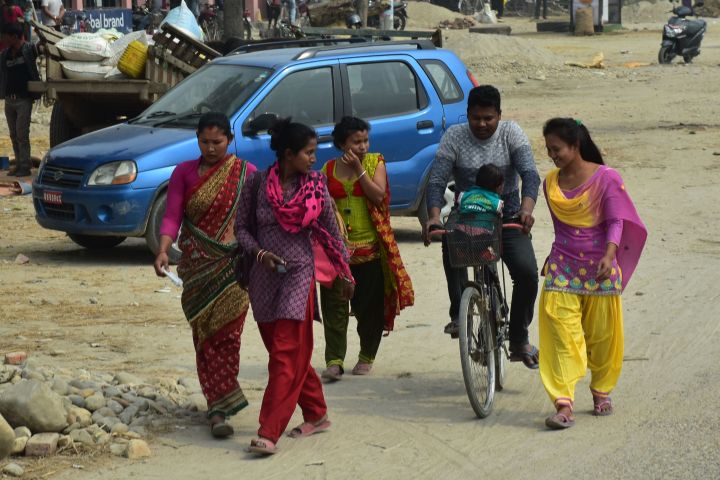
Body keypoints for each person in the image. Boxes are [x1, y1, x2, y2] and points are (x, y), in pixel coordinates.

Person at [234, 118, 354, 455]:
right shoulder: (257, 183)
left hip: (300, 274)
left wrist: (345, 273)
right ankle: (317, 413)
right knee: (285, 353)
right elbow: (241, 228)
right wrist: (260, 254)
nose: (314, 159)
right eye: (308, 153)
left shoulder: (316, 185)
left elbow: (331, 233)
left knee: (285, 354)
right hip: (263, 274)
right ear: (288, 154)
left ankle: (268, 432)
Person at [153, 112, 257, 439]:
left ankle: (220, 408)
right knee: (205, 337)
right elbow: (172, 217)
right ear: (197, 139)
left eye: (218, 142)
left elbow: (257, 221)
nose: (211, 148)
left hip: (234, 269)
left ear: (230, 140)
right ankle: (217, 403)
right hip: (197, 268)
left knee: (227, 336)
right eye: (205, 142)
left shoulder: (245, 174)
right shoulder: (183, 173)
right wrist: (163, 250)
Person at [539, 118, 646, 429]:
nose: (552, 155)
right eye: (548, 150)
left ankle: (601, 391)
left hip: (600, 267)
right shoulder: (549, 183)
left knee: (602, 336)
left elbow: (616, 221)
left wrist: (610, 254)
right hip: (562, 266)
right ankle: (564, 403)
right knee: (560, 334)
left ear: (575, 146)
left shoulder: (607, 178)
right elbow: (561, 229)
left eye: (556, 149)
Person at [424, 84, 541, 369]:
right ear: (468, 115)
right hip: (469, 218)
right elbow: (437, 180)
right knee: (451, 245)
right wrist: (434, 216)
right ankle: (458, 313)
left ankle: (518, 337)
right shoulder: (454, 136)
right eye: (476, 117)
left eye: (488, 117)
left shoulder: (511, 133)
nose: (482, 124)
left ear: (499, 115)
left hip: (509, 216)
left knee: (526, 274)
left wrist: (526, 210)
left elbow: (529, 174)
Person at [319, 117, 414, 381]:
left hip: (369, 249)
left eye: (365, 141)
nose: (362, 146)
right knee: (334, 308)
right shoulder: (328, 169)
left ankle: (366, 355)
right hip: (336, 252)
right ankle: (334, 360)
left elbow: (378, 195)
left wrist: (360, 169)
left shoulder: (375, 163)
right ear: (341, 144)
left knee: (368, 308)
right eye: (356, 142)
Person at [0, 23, 39, 177]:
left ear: (14, 37)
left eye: (6, 37)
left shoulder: (29, 50)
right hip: (10, 100)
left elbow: (42, 48)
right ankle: (19, 163)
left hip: (24, 100)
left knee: (22, 134)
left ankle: (25, 166)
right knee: (13, 134)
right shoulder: (5, 55)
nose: (4, 39)